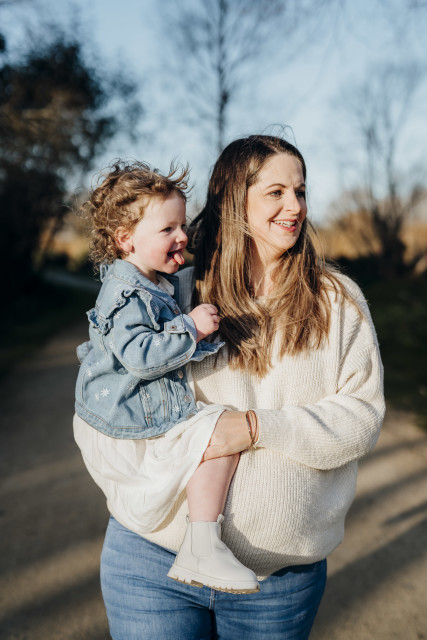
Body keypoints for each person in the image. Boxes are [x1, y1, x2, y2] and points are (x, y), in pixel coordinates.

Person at [74, 135, 385, 640]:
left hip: (276, 583)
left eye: (300, 191)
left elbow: (361, 419)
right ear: (233, 200)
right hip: (151, 561)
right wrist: (131, 492)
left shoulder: (337, 301)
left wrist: (255, 427)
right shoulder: (173, 291)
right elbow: (110, 390)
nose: (295, 206)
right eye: (276, 192)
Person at [74, 160, 260, 595]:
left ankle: (199, 542)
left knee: (212, 433)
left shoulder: (151, 281)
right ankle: (201, 546)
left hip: (124, 412)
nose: (182, 236)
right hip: (124, 418)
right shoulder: (126, 294)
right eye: (167, 229)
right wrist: (191, 328)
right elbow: (141, 356)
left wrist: (208, 332)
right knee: (216, 431)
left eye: (182, 225)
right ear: (125, 239)